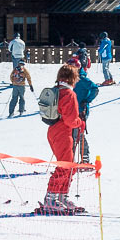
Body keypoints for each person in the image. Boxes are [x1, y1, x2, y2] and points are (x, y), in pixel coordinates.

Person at [39, 65, 85, 214]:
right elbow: (71, 120)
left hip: (54, 130)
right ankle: (52, 198)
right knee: (65, 165)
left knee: (68, 165)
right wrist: (80, 122)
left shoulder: (56, 91)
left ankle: (61, 196)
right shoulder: (68, 94)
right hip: (63, 131)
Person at [73, 66, 99, 161]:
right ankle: (71, 159)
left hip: (81, 111)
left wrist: (87, 100)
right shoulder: (71, 78)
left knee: (78, 134)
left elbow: (95, 89)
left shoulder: (82, 79)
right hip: (71, 111)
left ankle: (85, 158)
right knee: (73, 135)